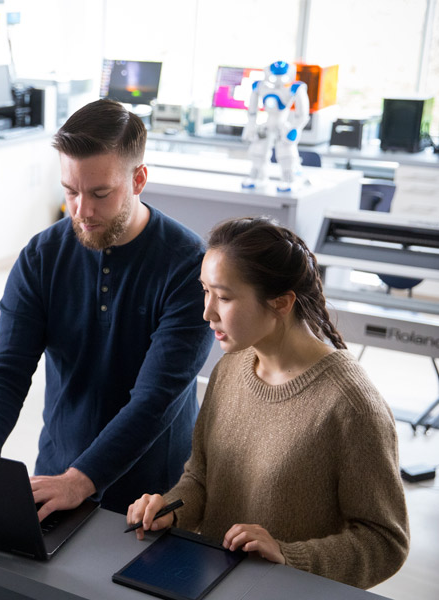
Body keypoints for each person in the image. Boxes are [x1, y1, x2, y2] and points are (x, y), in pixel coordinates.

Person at [126, 217, 410, 589]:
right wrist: (171, 509)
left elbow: (386, 541)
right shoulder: (230, 368)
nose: (207, 312)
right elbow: (201, 478)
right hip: (207, 585)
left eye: (224, 297)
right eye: (205, 291)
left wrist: (288, 557)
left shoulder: (351, 406)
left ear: (281, 303)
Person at [0, 99, 214, 518]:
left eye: (100, 193)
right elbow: (7, 368)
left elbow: (155, 399)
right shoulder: (41, 256)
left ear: (138, 179)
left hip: (154, 495)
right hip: (59, 475)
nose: (82, 211)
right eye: (70, 192)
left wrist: (82, 480)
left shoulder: (189, 266)